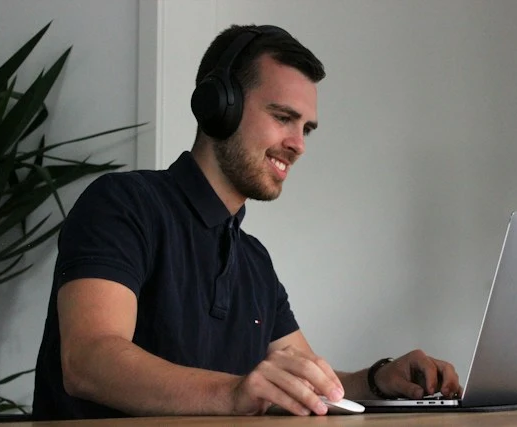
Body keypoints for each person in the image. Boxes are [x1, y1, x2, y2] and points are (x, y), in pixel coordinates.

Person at [32, 24, 461, 420]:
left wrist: (378, 379)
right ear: (218, 106)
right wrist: (234, 393)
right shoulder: (122, 205)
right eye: (282, 117)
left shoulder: (254, 261)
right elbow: (88, 361)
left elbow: (310, 386)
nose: (298, 145)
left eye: (305, 128)